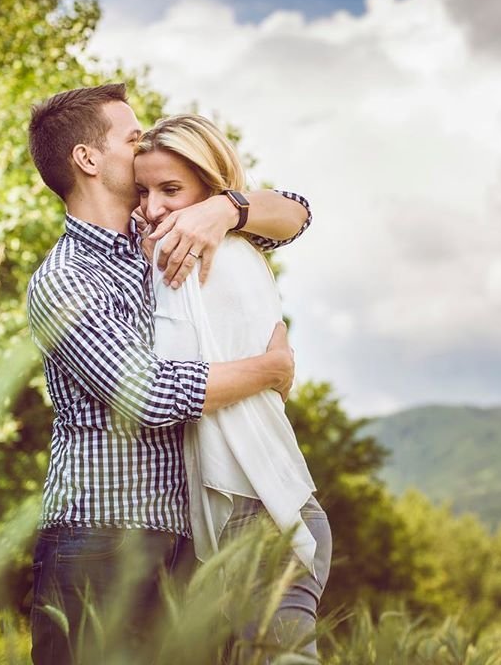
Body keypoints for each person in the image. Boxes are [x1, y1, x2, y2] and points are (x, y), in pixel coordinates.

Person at [24, 84, 312, 665]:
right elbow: (148, 394)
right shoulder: (64, 280)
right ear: (88, 159)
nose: (145, 146)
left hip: (183, 538)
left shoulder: (163, 232)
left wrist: (227, 207)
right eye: (132, 138)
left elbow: (298, 214)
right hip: (99, 538)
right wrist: (269, 368)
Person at [134, 114, 331, 659]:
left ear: (209, 184)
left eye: (172, 189)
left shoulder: (208, 250)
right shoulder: (180, 246)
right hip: (249, 505)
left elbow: (162, 388)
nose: (153, 208)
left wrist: (225, 208)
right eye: (143, 191)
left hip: (262, 508)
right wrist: (268, 371)